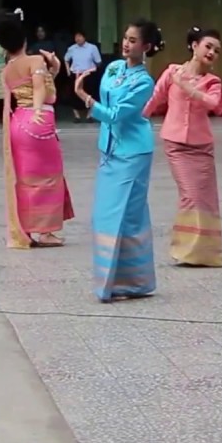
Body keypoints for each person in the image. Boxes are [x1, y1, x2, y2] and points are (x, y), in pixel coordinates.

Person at [73, 19, 161, 302]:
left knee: (128, 216)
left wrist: (84, 98)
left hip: (133, 152)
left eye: (133, 40)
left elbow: (115, 114)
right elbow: (107, 103)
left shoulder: (145, 82)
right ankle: (124, 281)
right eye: (125, 38)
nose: (126, 44)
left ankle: (130, 282)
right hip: (110, 149)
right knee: (106, 214)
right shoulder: (113, 68)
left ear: (146, 47)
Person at [144, 27, 222, 267]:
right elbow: (155, 98)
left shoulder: (213, 81)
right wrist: (138, 119)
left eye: (217, 50)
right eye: (208, 46)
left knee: (205, 199)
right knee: (190, 195)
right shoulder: (172, 72)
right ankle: (185, 250)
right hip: (176, 143)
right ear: (194, 45)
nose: (212, 52)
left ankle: (206, 253)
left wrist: (188, 86)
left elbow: (214, 104)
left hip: (202, 146)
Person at [0, 8, 74, 249]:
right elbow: (41, 88)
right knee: (48, 176)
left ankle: (27, 227)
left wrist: (55, 69)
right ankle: (46, 231)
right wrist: (38, 109)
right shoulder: (35, 60)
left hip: (19, 122)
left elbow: (41, 84)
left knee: (26, 178)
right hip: (38, 122)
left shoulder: (7, 69)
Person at [64, 30, 102, 123]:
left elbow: (98, 61)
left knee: (90, 94)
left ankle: (89, 115)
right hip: (76, 74)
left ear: (84, 37)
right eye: (76, 36)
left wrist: (93, 69)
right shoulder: (72, 48)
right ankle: (77, 116)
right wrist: (68, 71)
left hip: (88, 74)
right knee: (74, 95)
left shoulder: (92, 48)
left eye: (80, 36)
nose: (78, 38)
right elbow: (66, 59)